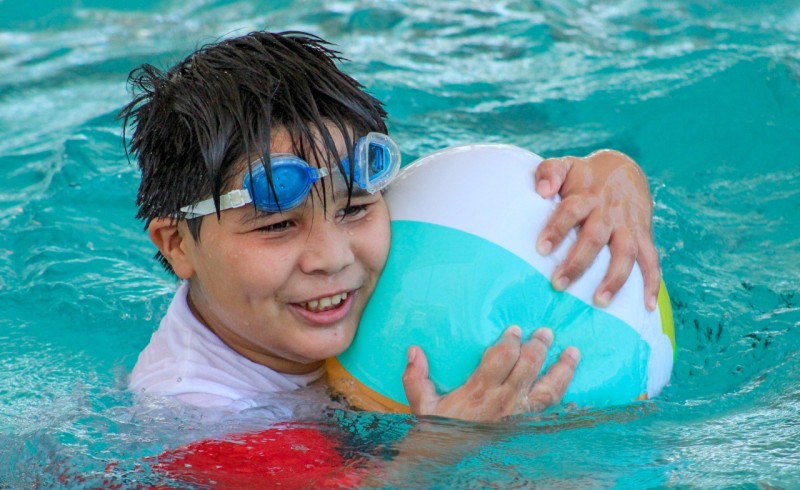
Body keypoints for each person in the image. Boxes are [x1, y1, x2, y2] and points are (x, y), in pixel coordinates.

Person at [121, 30, 660, 424]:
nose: (331, 257)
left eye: (354, 209)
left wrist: (616, 177)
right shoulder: (201, 418)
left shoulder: (315, 295)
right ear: (178, 246)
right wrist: (441, 449)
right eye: (279, 225)